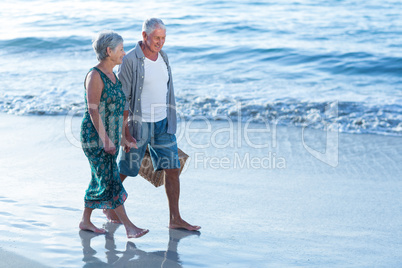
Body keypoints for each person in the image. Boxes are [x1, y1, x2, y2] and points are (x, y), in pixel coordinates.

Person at [104, 18, 200, 231]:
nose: (160, 42)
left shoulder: (164, 57)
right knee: (127, 168)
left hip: (163, 124)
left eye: (163, 38)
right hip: (139, 124)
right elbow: (124, 98)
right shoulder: (130, 60)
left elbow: (167, 90)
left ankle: (175, 219)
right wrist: (125, 132)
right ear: (144, 36)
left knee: (173, 168)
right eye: (156, 37)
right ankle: (108, 204)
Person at [79, 30, 149, 238]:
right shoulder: (95, 75)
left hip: (109, 136)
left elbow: (119, 109)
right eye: (120, 49)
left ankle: (85, 221)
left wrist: (124, 136)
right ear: (109, 51)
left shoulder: (113, 76)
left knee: (100, 178)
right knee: (110, 179)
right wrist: (106, 139)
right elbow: (93, 110)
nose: (124, 53)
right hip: (95, 137)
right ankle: (129, 227)